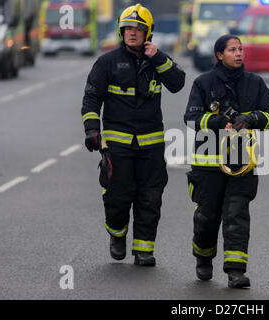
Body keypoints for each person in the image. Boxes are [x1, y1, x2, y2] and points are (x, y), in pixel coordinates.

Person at [81, 4, 185, 265]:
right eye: (127, 28)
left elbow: (178, 83)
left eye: (138, 29)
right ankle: (117, 235)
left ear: (148, 33)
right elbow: (92, 98)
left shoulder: (157, 62)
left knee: (150, 198)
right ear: (120, 31)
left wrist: (158, 58)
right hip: (118, 145)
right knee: (118, 196)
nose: (132, 33)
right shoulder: (107, 62)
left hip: (151, 146)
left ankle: (144, 250)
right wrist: (92, 130)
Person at [184, 34, 269, 288]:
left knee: (237, 216)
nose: (238, 53)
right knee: (207, 217)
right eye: (232, 50)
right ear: (219, 55)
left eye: (240, 49)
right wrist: (217, 122)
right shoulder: (203, 83)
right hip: (208, 165)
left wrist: (251, 119)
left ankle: (236, 271)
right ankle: (203, 259)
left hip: (242, 163)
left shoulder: (255, 83)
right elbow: (191, 118)